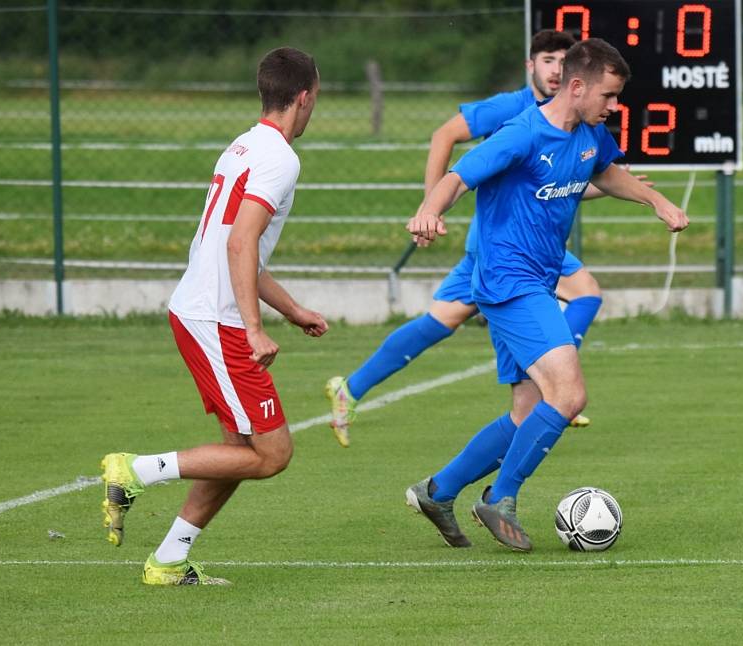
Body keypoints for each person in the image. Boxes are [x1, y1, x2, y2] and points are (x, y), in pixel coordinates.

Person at [405, 38, 688, 550]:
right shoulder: (521, 134)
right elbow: (457, 177)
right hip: (509, 284)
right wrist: (430, 210)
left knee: (526, 411)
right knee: (569, 394)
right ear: (577, 86)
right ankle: (500, 497)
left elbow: (606, 173)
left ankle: (437, 491)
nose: (615, 106)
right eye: (610, 95)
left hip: (534, 281)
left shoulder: (588, 134)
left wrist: (656, 201)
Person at [100, 47, 327, 585]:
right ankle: (134, 470)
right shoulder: (280, 158)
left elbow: (237, 247)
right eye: (317, 97)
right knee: (272, 454)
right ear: (304, 96)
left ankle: (169, 561)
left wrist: (291, 310)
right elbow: (241, 243)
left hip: (202, 311)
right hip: (216, 320)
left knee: (237, 449)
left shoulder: (243, 146)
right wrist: (253, 327)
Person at [325, 30, 613, 448]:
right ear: (530, 65)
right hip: (502, 248)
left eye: (562, 60)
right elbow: (444, 135)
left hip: (525, 245)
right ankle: (555, 391)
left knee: (442, 320)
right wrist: (430, 206)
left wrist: (608, 185)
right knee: (583, 293)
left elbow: (557, 184)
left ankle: (350, 388)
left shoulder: (574, 119)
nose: (555, 68)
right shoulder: (511, 109)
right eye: (547, 59)